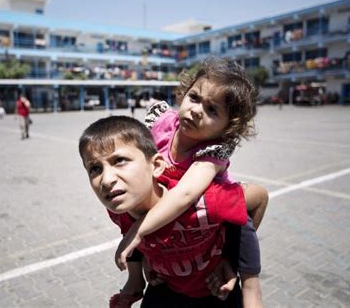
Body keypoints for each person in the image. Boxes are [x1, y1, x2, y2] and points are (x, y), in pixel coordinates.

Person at [116, 57, 268, 306]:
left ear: (227, 127)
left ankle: (247, 282)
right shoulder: (161, 124)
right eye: (194, 97)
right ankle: (134, 280)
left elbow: (186, 194)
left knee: (242, 225)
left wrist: (139, 231)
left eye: (212, 110)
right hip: (175, 230)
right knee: (127, 196)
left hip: (211, 214)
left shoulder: (213, 151)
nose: (196, 110)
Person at [79, 116, 261, 307]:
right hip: (166, 288)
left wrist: (231, 261)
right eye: (95, 169)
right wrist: (136, 278)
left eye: (120, 160)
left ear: (156, 166)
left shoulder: (202, 203)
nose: (106, 180)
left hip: (216, 291)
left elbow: (258, 199)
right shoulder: (118, 210)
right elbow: (129, 235)